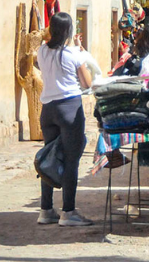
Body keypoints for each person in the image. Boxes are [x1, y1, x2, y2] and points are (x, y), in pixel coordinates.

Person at [35, 12, 93, 227]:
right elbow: (86, 83)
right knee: (71, 159)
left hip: (47, 109)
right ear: (69, 30)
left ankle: (46, 209)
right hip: (69, 107)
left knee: (48, 157)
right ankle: (68, 212)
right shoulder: (72, 54)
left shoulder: (42, 50)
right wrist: (82, 53)